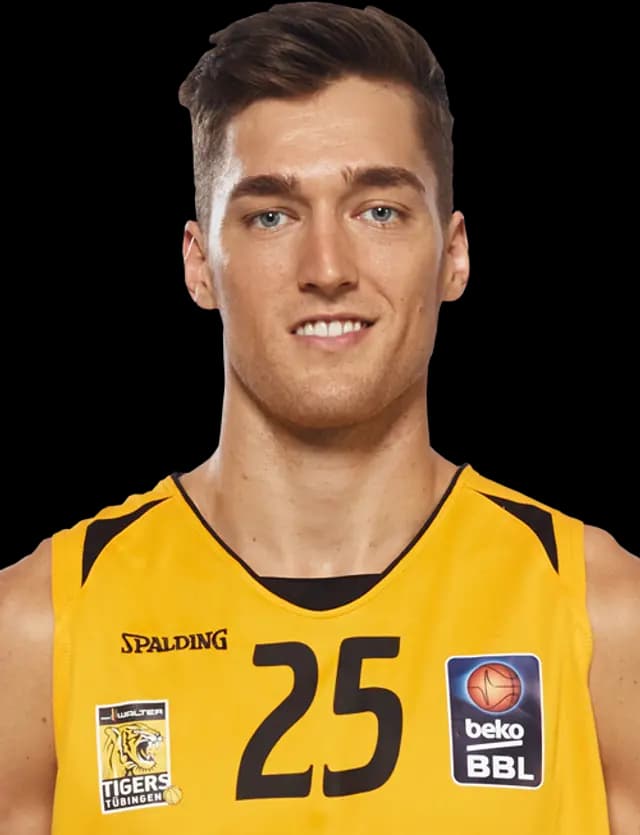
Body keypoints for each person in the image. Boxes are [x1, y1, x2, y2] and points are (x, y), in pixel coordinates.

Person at [1, 2, 638, 833]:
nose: (328, 268)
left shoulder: (603, 613)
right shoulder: (41, 624)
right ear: (200, 264)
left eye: (379, 210)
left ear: (453, 255)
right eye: (271, 214)